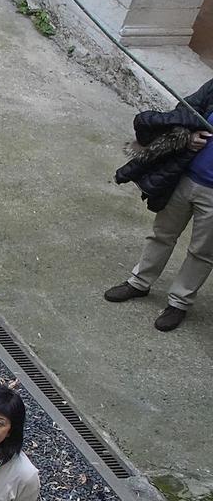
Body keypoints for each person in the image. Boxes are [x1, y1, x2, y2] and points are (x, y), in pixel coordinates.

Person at [106, 79, 213, 331]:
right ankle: (139, 282)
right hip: (185, 179)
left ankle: (179, 302)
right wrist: (189, 137)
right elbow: (184, 111)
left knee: (202, 252)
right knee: (162, 234)